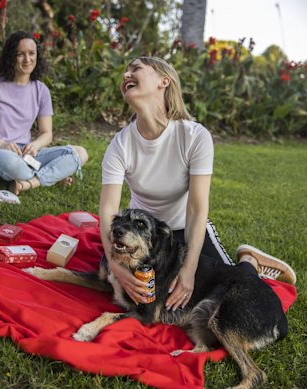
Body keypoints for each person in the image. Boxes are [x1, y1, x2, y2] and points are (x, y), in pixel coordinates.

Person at [99, 56, 296, 310]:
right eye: (125, 71)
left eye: (135, 69)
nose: (126, 75)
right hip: (144, 233)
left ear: (164, 81)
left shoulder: (194, 136)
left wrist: (189, 269)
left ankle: (249, 260)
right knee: (122, 287)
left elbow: (196, 208)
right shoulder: (121, 143)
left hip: (186, 228)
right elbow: (108, 209)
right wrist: (116, 266)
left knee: (232, 292)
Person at [0, 31, 88, 195]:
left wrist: (35, 145)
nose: (27, 59)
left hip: (27, 156)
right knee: (12, 163)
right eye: (20, 54)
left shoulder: (41, 90)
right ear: (11, 56)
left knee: (79, 153)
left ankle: (29, 183)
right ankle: (54, 174)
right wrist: (2, 144)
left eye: (32, 53)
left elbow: (47, 133)